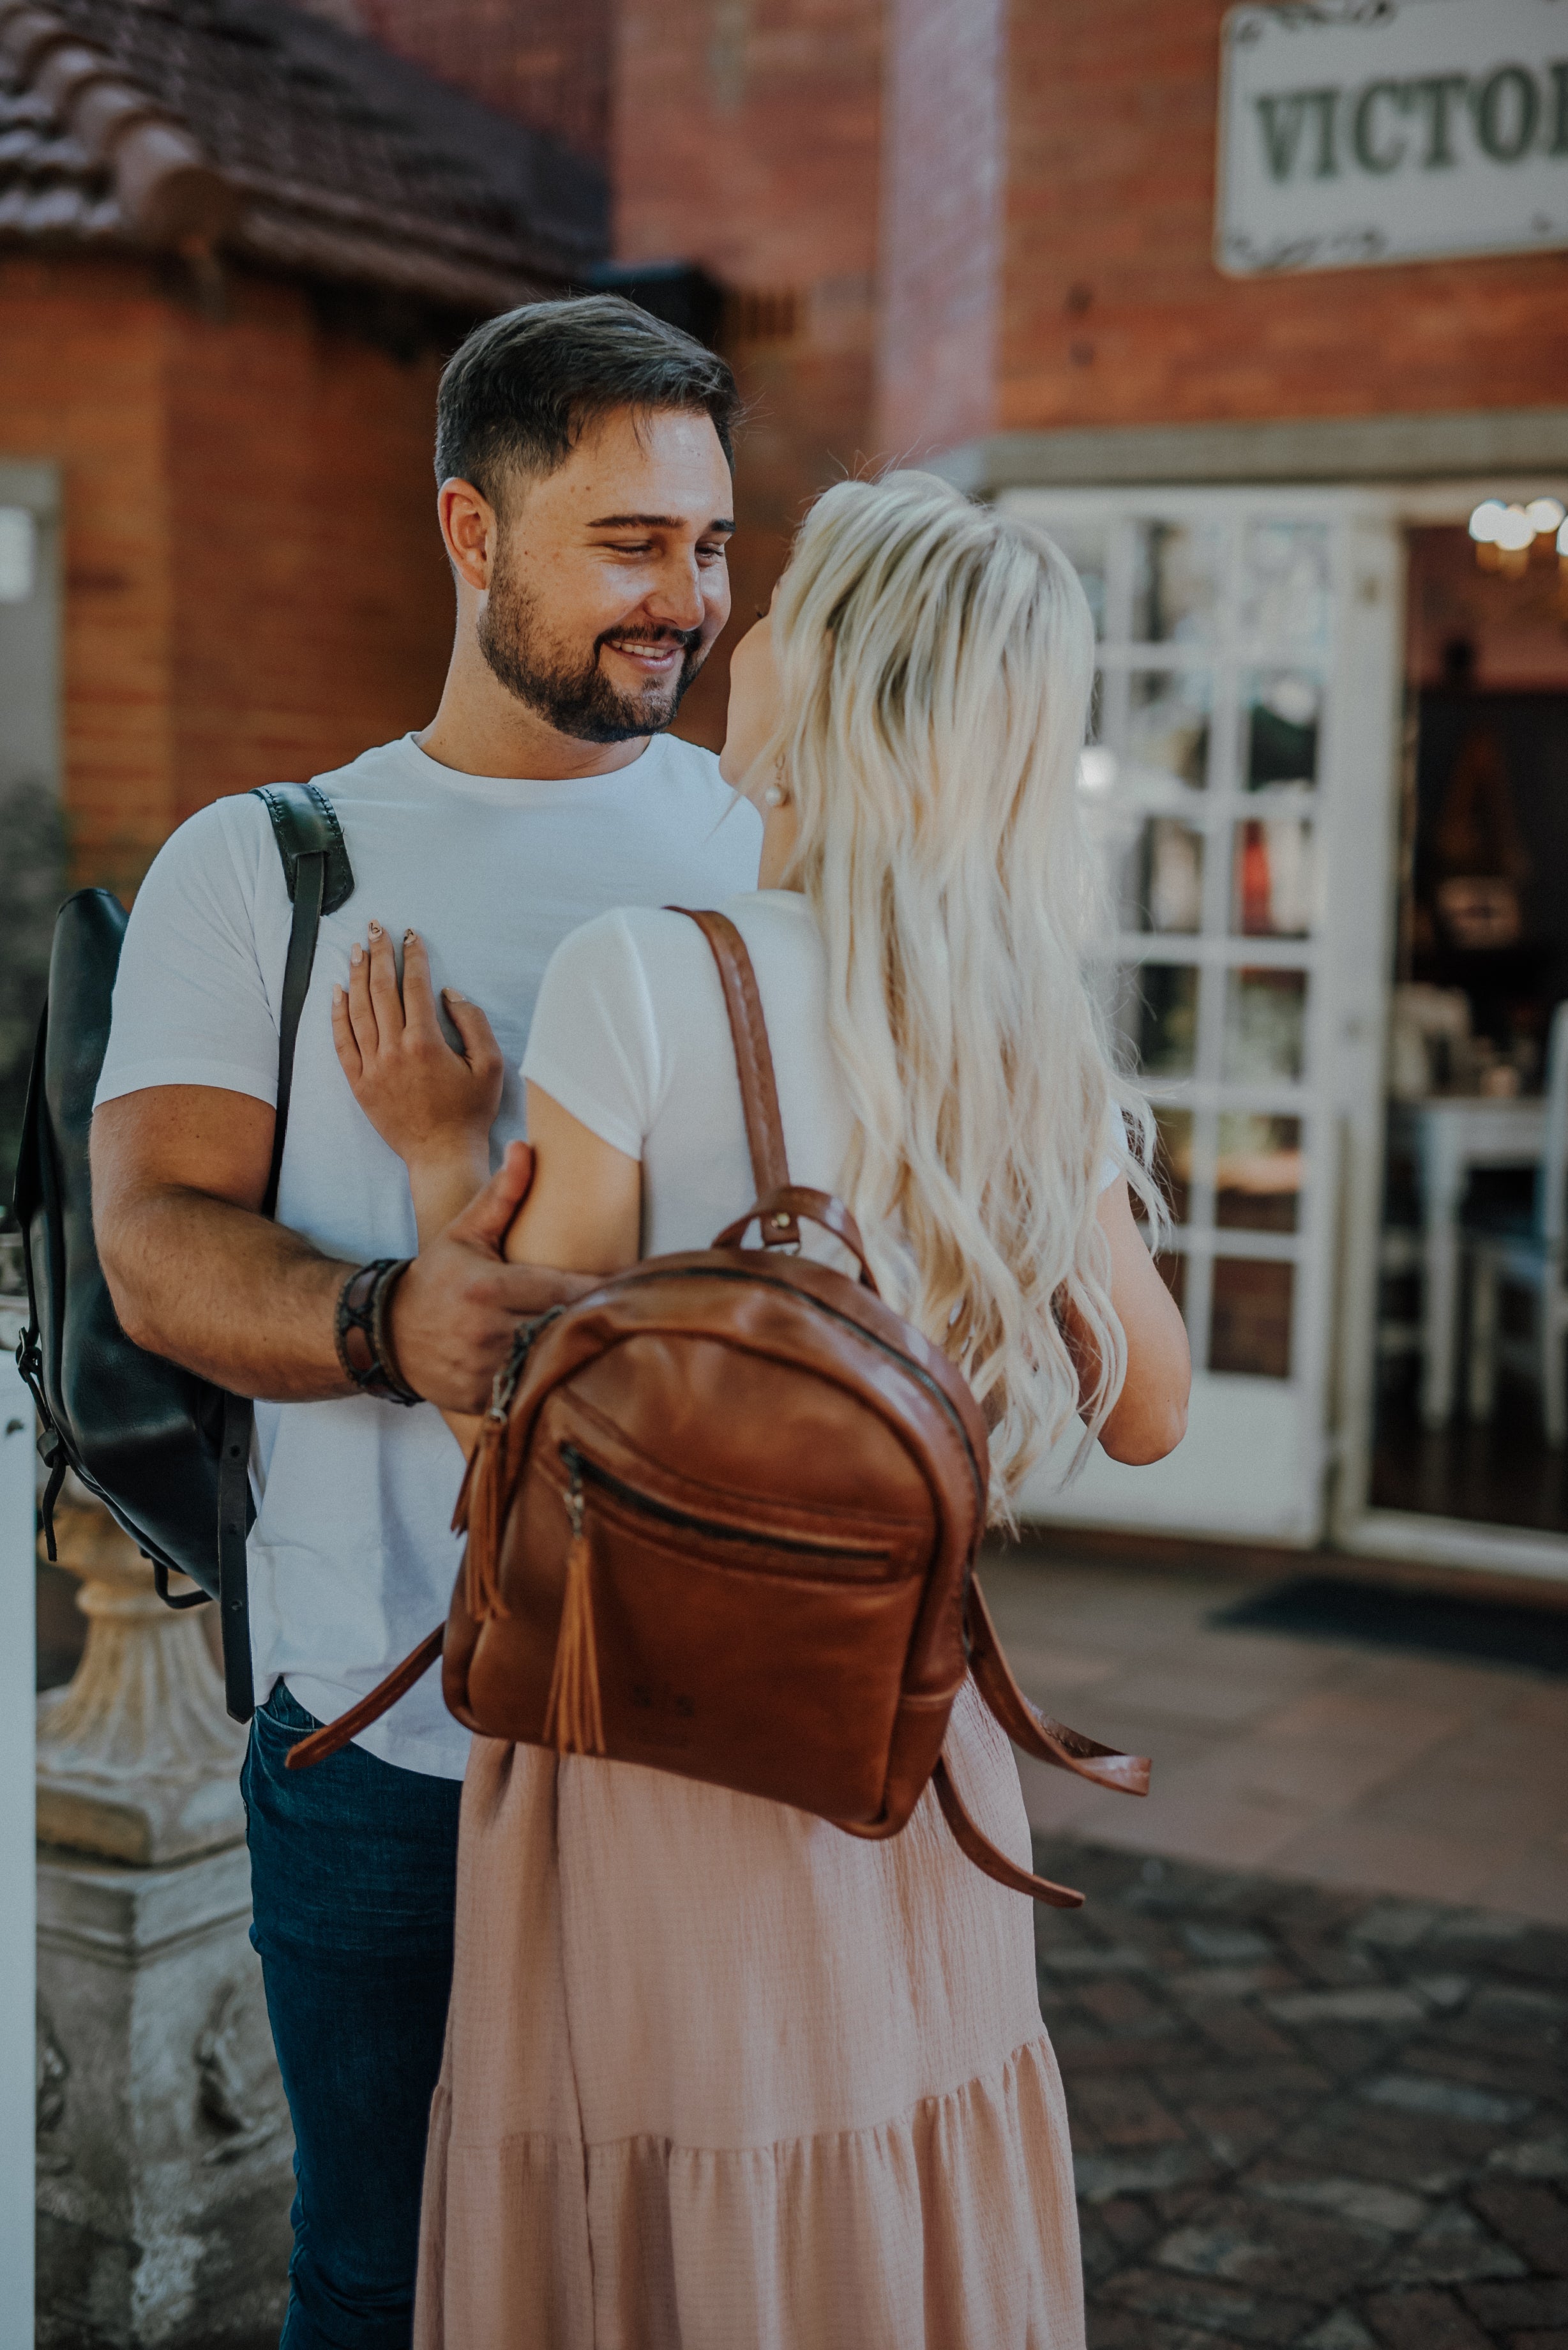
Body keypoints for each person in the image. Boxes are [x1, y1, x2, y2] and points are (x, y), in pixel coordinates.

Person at [331, 471, 1191, 2349]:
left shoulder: (646, 973)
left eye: (785, 593)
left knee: (662, 2225)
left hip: (662, 1741)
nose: (740, 619)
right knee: (877, 2210)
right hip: (908, 1738)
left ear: (844, 680)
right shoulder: (1016, 1021)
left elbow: (516, 1428)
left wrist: (429, 1166)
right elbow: (1152, 1415)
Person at [89, 295, 764, 2349]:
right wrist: (392, 1321)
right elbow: (152, 1246)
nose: (690, 604)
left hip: (709, 1719)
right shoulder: (269, 868)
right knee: (379, 2273)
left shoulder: (768, 844)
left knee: (660, 2281)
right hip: (382, 1717)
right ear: (473, 534)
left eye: (715, 547)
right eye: (632, 547)